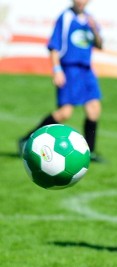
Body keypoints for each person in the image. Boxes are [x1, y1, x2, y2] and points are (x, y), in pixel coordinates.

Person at [18, 0, 103, 162]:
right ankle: (28, 139)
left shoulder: (90, 19)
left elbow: (99, 45)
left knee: (94, 109)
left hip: (87, 70)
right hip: (69, 69)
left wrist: (94, 30)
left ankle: (89, 152)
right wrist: (57, 70)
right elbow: (54, 46)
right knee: (65, 112)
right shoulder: (65, 18)